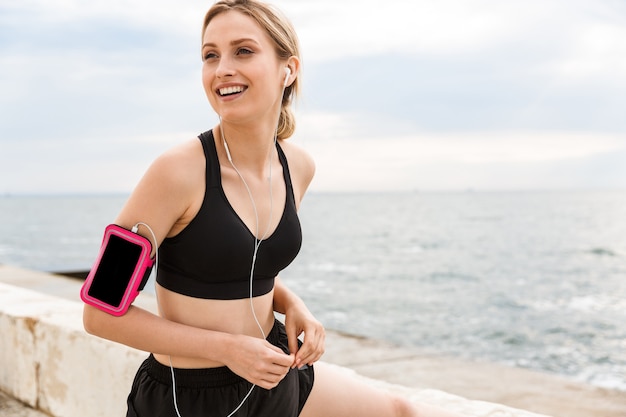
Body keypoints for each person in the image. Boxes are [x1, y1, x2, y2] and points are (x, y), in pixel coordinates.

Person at [82, 1, 461, 416]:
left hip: (273, 370)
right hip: (189, 397)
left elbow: (245, 268)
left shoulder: (298, 167)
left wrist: (293, 304)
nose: (222, 67)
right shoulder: (176, 172)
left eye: (243, 51)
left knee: (401, 411)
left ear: (289, 69)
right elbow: (99, 313)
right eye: (211, 55)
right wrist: (228, 349)